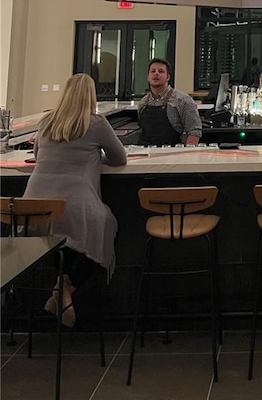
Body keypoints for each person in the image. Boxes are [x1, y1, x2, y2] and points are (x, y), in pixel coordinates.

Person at [23, 73, 127, 327]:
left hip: (33, 206)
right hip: (77, 202)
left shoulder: (47, 121)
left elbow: (37, 155)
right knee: (106, 227)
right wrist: (94, 159)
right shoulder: (97, 123)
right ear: (91, 97)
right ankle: (68, 288)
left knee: (56, 237)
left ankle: (60, 289)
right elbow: (119, 158)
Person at [137, 58, 202, 147]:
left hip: (173, 155)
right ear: (148, 77)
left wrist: (187, 155)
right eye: (153, 71)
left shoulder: (183, 100)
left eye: (161, 71)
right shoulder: (143, 103)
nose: (156, 73)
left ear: (168, 77)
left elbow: (194, 132)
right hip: (146, 154)